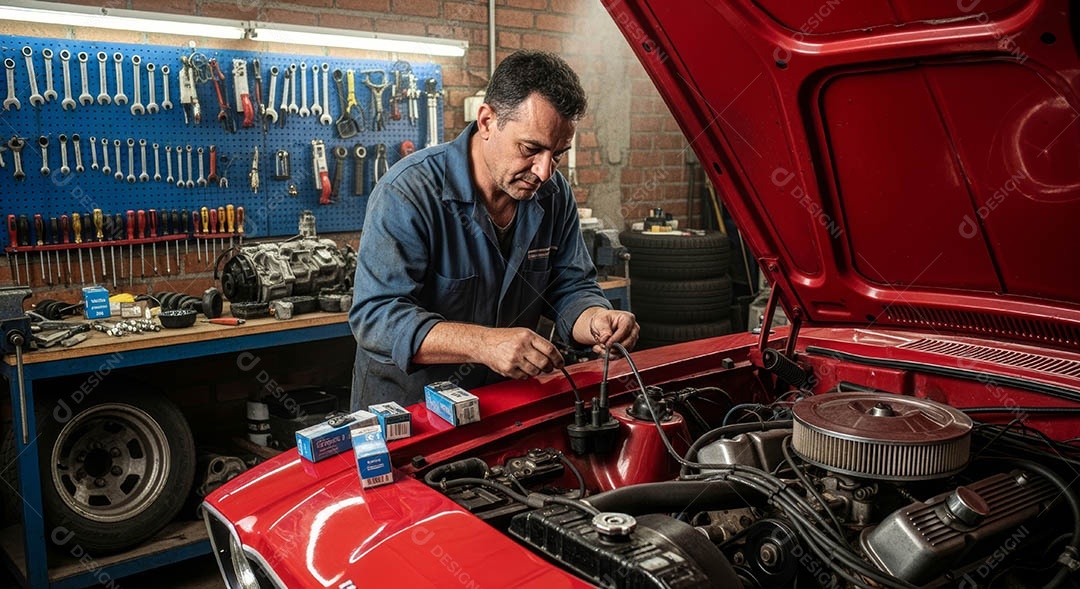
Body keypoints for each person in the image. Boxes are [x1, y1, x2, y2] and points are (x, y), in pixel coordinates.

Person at [349, 50, 639, 408]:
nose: (544, 171)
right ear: (486, 121)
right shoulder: (408, 193)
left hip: (502, 406)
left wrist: (597, 319)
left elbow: (571, 286)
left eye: (558, 154)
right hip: (410, 414)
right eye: (530, 148)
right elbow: (377, 318)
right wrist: (485, 343)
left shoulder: (553, 195)